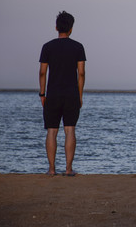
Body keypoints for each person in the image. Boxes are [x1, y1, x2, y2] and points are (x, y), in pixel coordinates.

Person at [39, 11, 86, 176]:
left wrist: (42, 94)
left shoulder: (47, 47)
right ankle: (68, 169)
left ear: (56, 27)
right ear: (71, 29)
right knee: (70, 130)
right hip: (71, 94)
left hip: (52, 94)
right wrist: (79, 95)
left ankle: (51, 170)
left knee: (52, 131)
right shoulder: (78, 47)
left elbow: (42, 73)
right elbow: (81, 73)